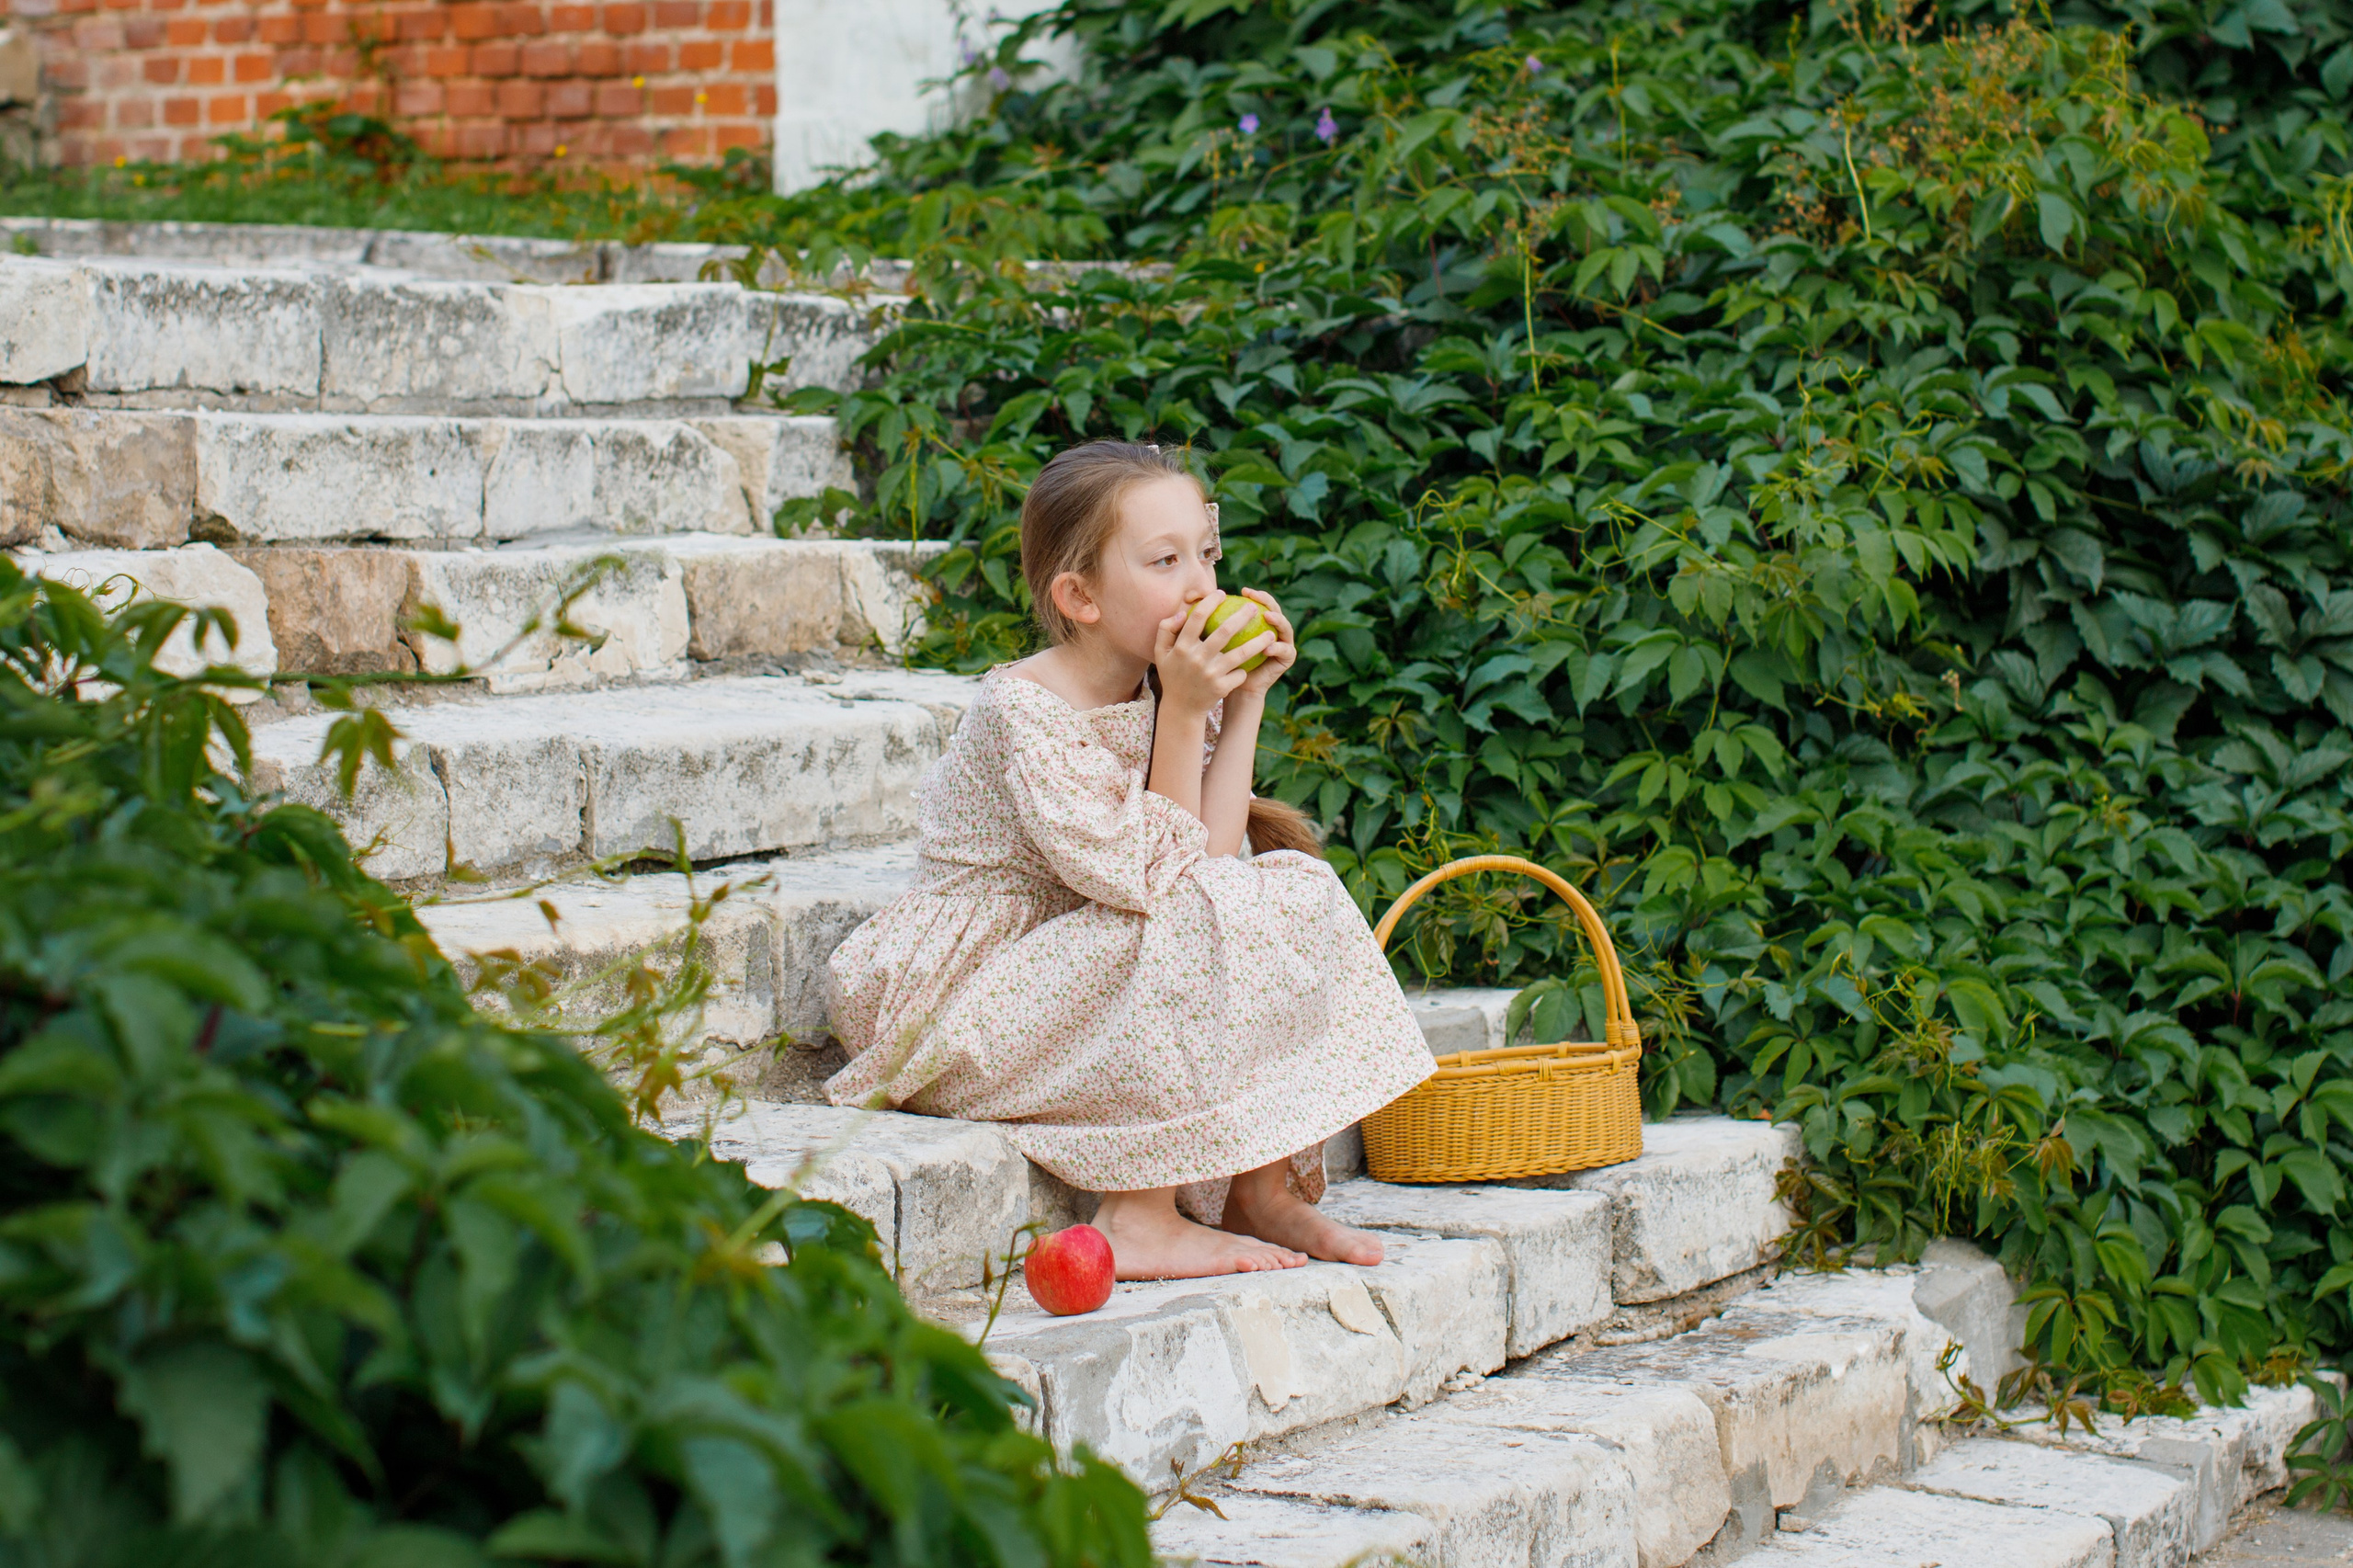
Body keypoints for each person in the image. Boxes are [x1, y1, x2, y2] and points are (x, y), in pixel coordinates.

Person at [824, 439, 1434, 1279]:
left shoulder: (1163, 683)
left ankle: (1259, 1188)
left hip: (1087, 955)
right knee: (1194, 908)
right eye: (1164, 561)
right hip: (961, 991)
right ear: (1079, 597)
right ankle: (1140, 1216)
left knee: (1290, 885)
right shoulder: (1024, 708)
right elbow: (1155, 883)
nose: (1201, 587)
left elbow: (1210, 858)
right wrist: (1186, 711)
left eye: (1207, 557)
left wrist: (1241, 699)